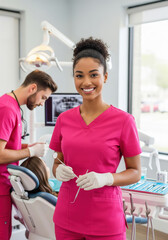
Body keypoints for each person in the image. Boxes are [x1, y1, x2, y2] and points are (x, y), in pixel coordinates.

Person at [49, 37, 141, 240]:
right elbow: (57, 162)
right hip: (67, 216)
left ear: (105, 77)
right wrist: (58, 170)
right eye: (79, 76)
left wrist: (107, 178)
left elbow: (135, 172)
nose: (86, 82)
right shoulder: (64, 119)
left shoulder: (123, 121)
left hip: (105, 219)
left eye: (93, 75)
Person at [0, 70, 57, 240]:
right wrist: (31, 152)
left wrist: (28, 146)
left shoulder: (13, 107)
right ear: (33, 88)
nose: (42, 104)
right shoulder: (7, 109)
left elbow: (9, 145)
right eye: (43, 98)